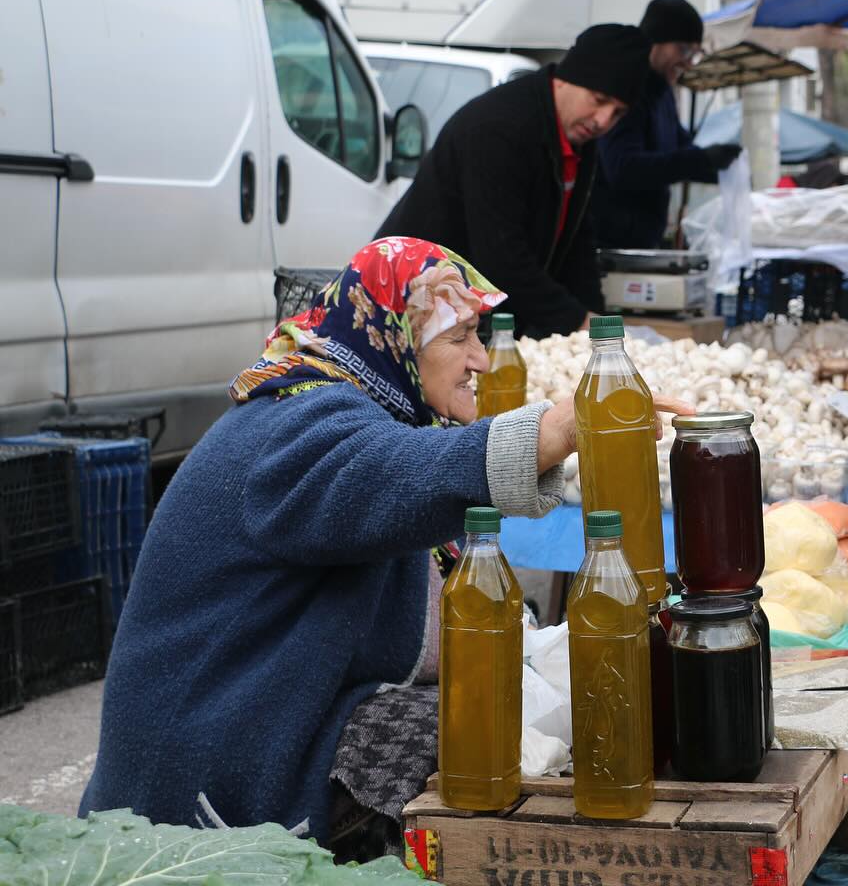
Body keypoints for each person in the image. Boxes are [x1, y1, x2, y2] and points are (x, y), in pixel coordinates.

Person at [79, 237, 688, 856]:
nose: (480, 359)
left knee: (500, 706)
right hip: (200, 754)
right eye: (459, 338)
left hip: (270, 707)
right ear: (392, 337)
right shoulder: (294, 428)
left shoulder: (359, 409)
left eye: (478, 335)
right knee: (470, 736)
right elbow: (397, 476)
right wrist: (549, 432)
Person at [376, 25, 652, 339]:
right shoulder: (500, 128)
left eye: (617, 113)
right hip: (408, 304)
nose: (603, 120)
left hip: (465, 311)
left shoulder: (578, 139)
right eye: (599, 100)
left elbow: (576, 244)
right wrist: (577, 321)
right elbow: (501, 257)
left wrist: (597, 323)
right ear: (567, 78)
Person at [590, 0, 742, 251]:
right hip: (609, 245)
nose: (687, 62)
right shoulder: (627, 89)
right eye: (683, 50)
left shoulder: (664, 94)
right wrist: (700, 160)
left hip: (644, 240)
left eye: (695, 54)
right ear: (654, 41)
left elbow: (678, 149)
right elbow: (623, 167)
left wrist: (722, 166)